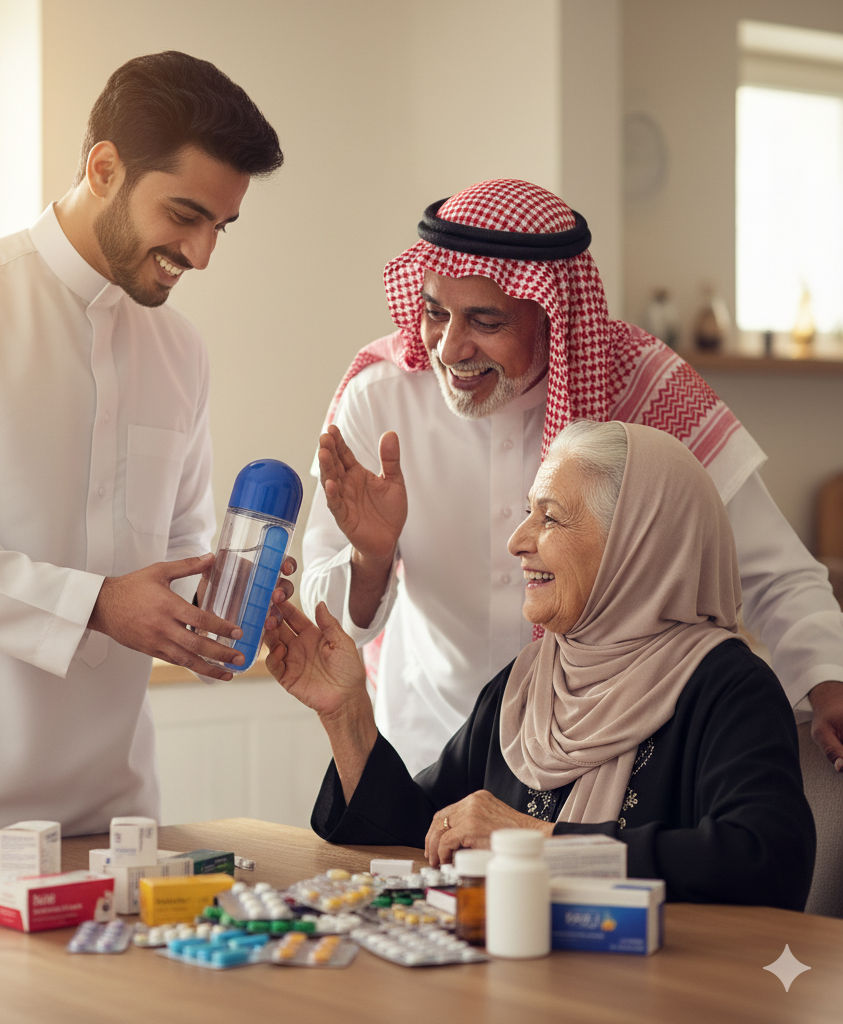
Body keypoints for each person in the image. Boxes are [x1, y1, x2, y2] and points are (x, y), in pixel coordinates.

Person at [0, 52, 288, 860]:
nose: (203, 253)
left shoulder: (179, 349)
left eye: (221, 226)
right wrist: (97, 604)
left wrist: (225, 600)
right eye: (185, 214)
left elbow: (177, 547)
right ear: (103, 167)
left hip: (113, 813)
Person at [301, 179, 843, 775]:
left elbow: (773, 571)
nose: (450, 348)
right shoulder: (380, 396)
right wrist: (370, 562)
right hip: (424, 751)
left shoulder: (644, 388)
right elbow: (321, 609)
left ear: (552, 315)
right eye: (434, 312)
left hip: (597, 762)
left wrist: (828, 682)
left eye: (485, 320)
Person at [270, 421, 816, 909]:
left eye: (549, 518)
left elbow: (763, 861)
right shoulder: (527, 682)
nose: (517, 540)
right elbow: (422, 829)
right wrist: (347, 714)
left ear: (636, 542)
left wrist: (538, 844)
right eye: (527, 512)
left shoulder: (729, 688)